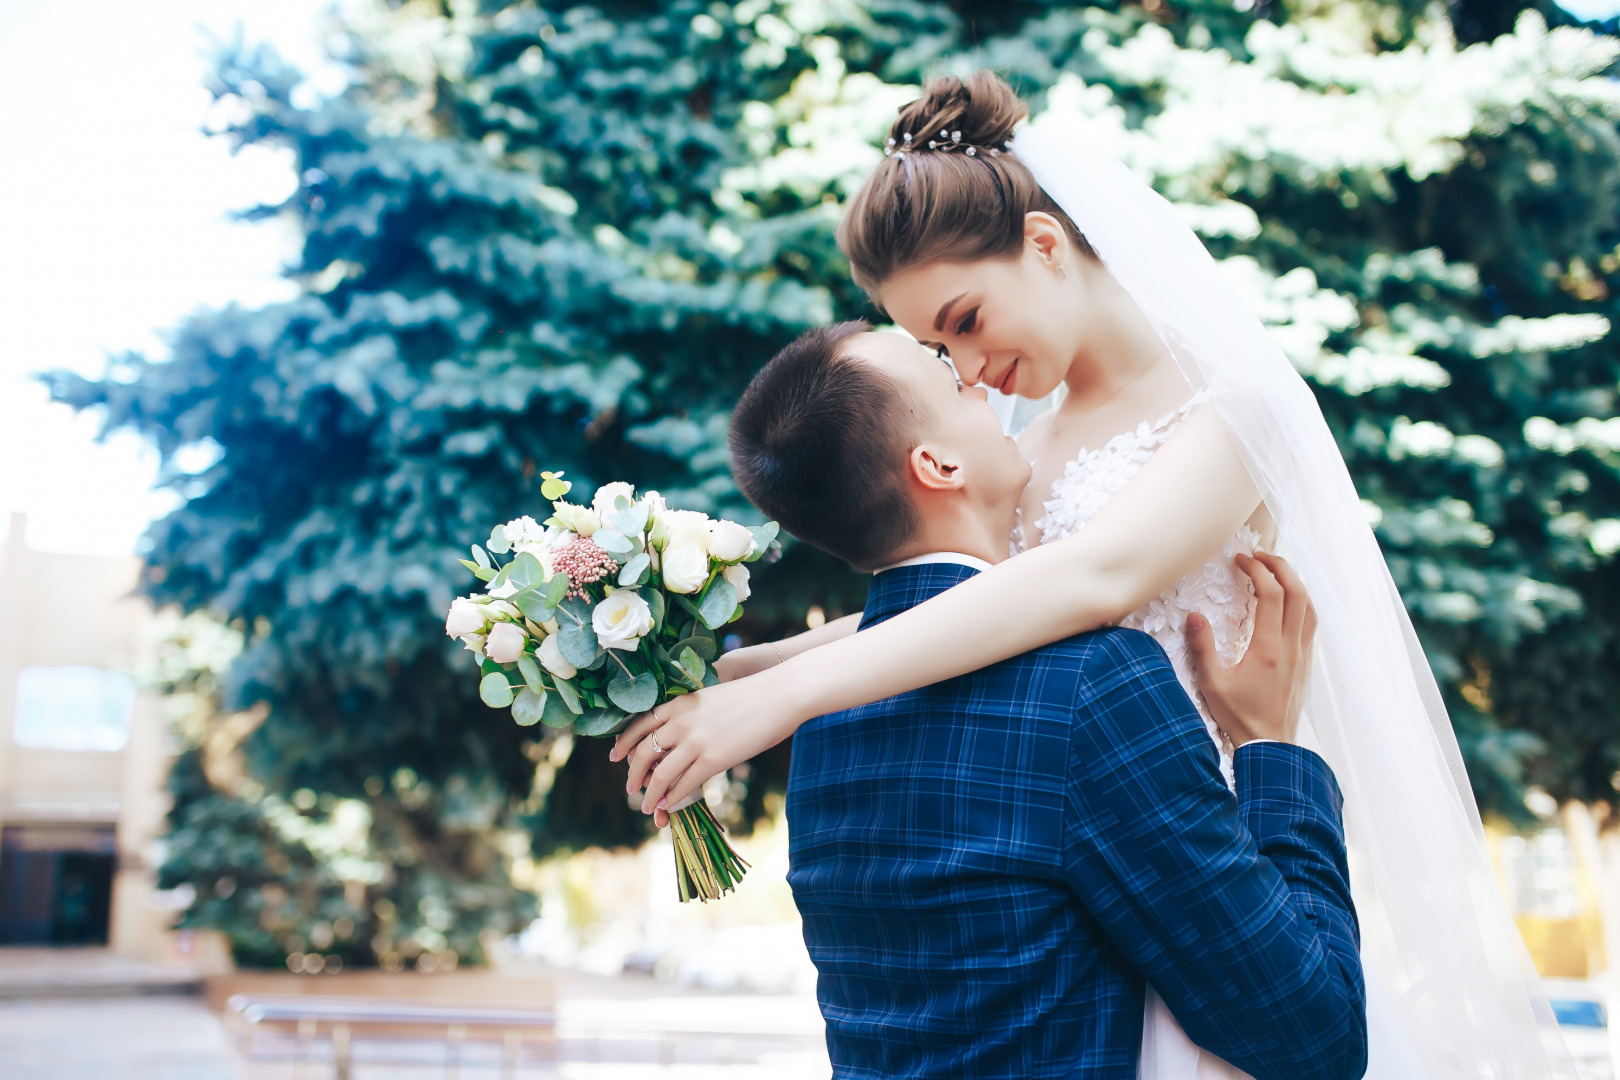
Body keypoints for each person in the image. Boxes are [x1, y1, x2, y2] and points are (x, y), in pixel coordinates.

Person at [615, 73, 1565, 1078]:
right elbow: (986, 614)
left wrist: (786, 698)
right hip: (1084, 912)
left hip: (1215, 882)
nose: (967, 371)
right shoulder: (1025, 441)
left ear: (1046, 245)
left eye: (967, 319)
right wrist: (739, 673)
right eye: (938, 350)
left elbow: (1096, 578)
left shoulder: (1232, 410)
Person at [684, 323, 1367, 1078]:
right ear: (936, 466)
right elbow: (1315, 1038)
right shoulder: (1087, 682)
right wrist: (1272, 747)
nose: (977, 381)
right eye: (948, 379)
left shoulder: (822, 721)